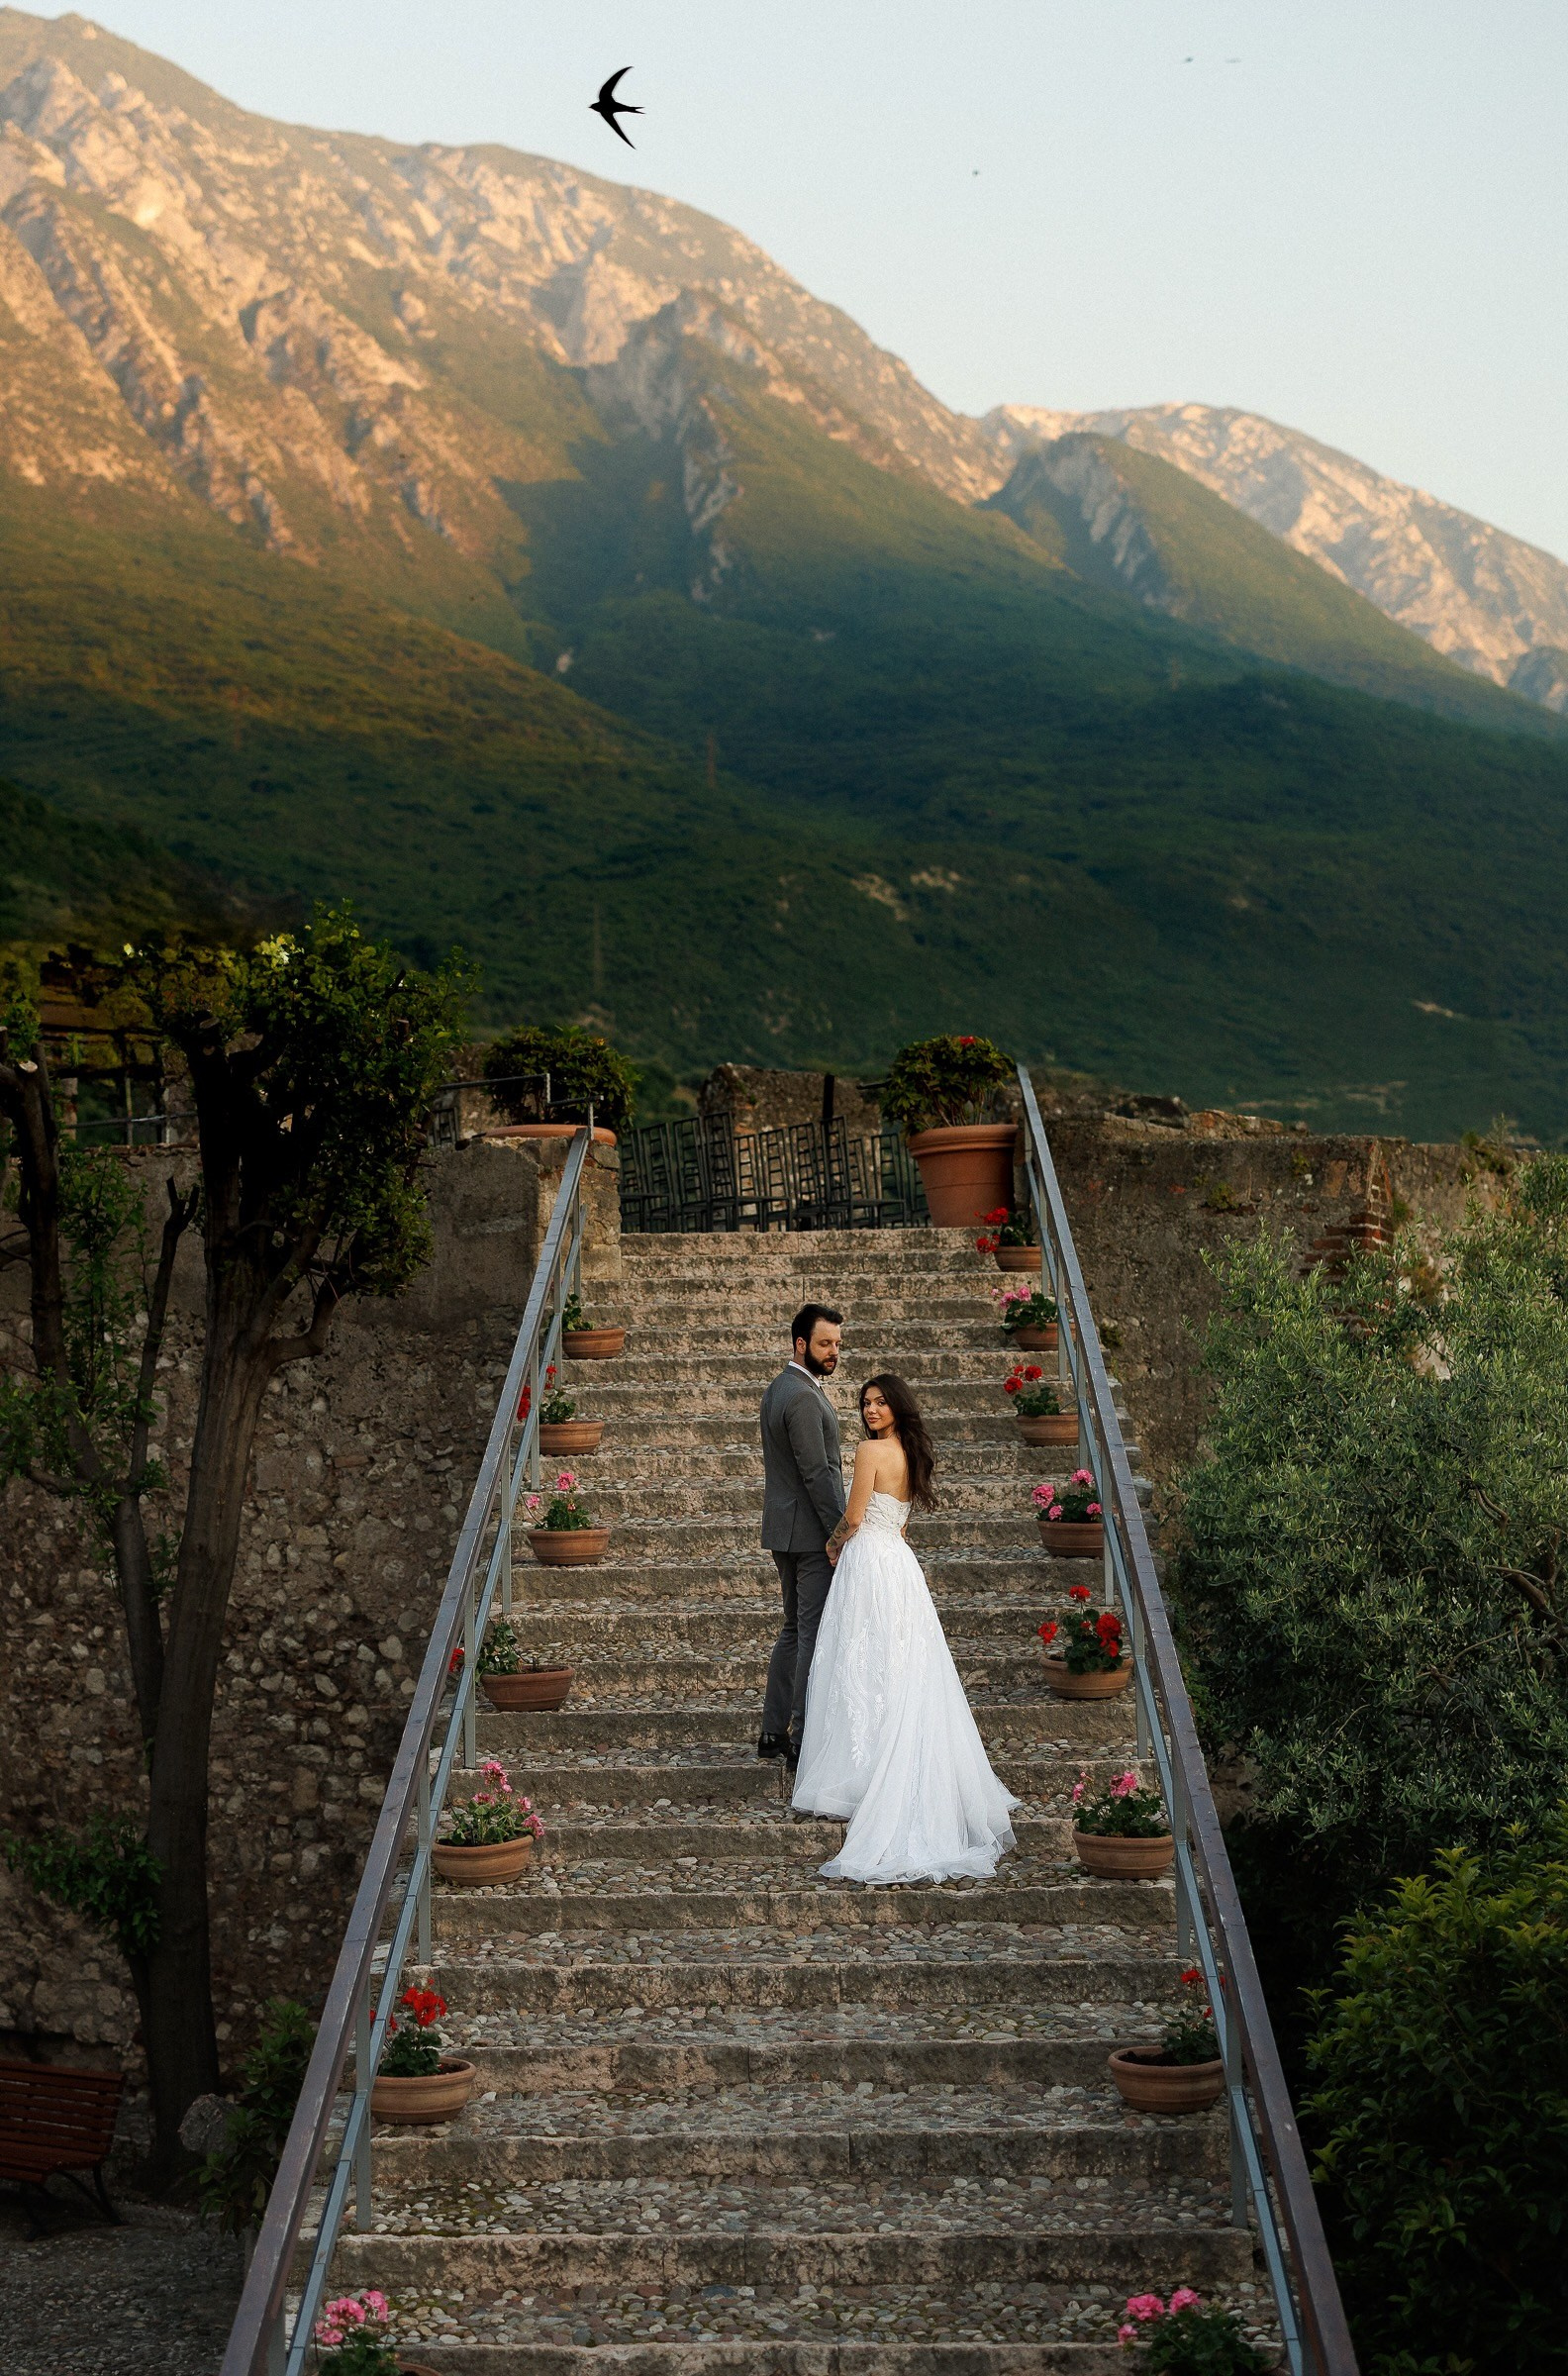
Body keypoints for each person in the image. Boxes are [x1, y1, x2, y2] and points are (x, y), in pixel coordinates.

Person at [792, 1372, 1019, 1883]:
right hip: (898, 1559)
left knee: (862, 1657)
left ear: (896, 1407)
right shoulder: (911, 1454)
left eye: (879, 1403)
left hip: (869, 1560)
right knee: (898, 1658)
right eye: (866, 1403)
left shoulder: (870, 1452)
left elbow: (852, 1516)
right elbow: (901, 1519)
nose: (871, 1411)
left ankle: (861, 1766)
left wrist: (832, 1545)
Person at [757, 1303, 846, 1770]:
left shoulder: (778, 1389)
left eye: (836, 1344)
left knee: (792, 1628)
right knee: (809, 1631)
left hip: (785, 1531)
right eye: (824, 1344)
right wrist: (841, 1531)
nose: (833, 1352)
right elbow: (818, 1474)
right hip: (811, 1535)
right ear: (800, 1344)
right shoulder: (803, 1397)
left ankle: (773, 1731)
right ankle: (802, 1736)